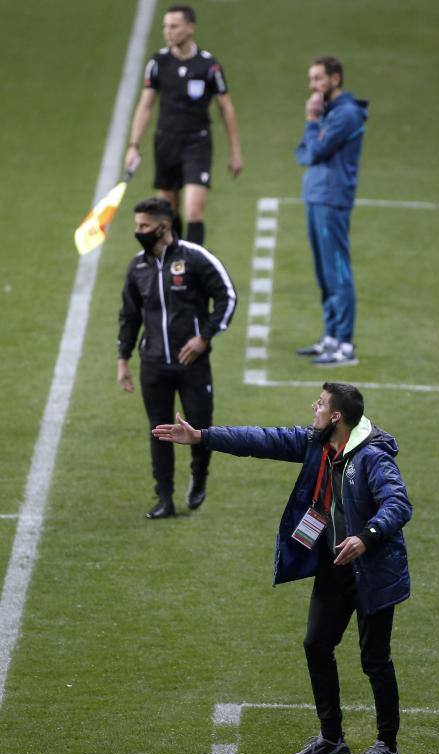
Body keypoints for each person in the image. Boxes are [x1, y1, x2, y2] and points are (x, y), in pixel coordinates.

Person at [152, 382, 412, 754]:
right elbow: (262, 440)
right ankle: (331, 738)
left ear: (336, 416)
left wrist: (366, 537)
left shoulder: (373, 457)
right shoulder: (318, 443)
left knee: (375, 659)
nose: (315, 407)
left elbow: (398, 503)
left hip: (372, 571)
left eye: (321, 404)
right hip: (336, 566)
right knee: (316, 645)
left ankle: (387, 746)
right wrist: (202, 437)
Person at [117, 197, 237, 519]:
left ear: (164, 226)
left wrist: (205, 337)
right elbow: (129, 315)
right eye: (137, 225)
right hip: (153, 364)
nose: (138, 231)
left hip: (191, 363)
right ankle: (164, 498)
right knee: (159, 430)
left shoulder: (195, 258)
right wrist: (123, 359)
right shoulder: (137, 267)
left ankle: (199, 474)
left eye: (144, 226)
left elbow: (227, 295)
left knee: (200, 425)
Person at [124, 4, 243, 245]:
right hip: (166, 142)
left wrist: (235, 151)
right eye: (165, 26)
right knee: (168, 212)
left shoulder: (209, 66)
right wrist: (133, 145)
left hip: (197, 143)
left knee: (194, 210)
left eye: (174, 26)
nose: (168, 31)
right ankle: (175, 266)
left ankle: (196, 266)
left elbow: (225, 108)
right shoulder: (158, 63)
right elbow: (145, 105)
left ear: (190, 28)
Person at [295, 57, 368, 366]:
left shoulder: (346, 114)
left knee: (338, 271)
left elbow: (314, 151)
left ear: (335, 79)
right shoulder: (329, 113)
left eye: (318, 79)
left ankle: (345, 344)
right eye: (311, 79)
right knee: (324, 272)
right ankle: (331, 336)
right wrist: (314, 127)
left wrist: (312, 122)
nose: (313, 86)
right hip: (316, 195)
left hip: (332, 198)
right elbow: (303, 153)